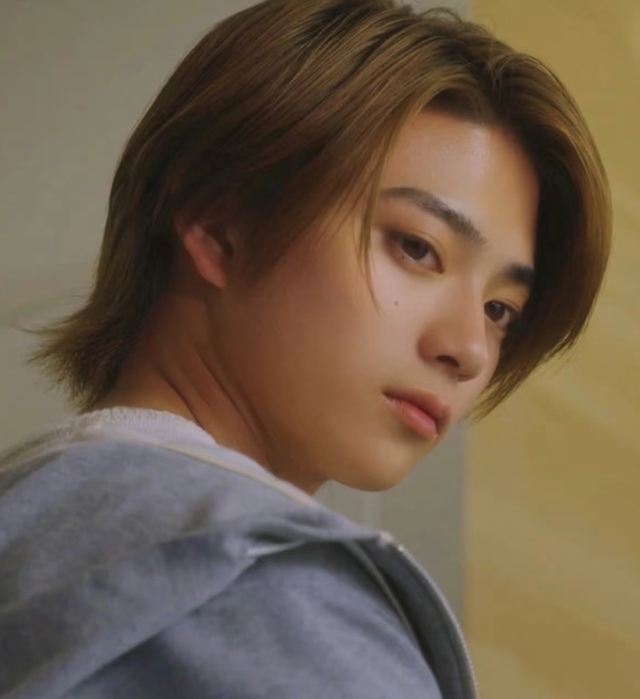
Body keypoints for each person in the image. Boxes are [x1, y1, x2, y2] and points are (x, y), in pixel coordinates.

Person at [0, 1, 611, 697]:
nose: (469, 349)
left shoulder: (36, 526)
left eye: (501, 311)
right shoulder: (269, 588)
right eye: (417, 248)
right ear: (219, 220)